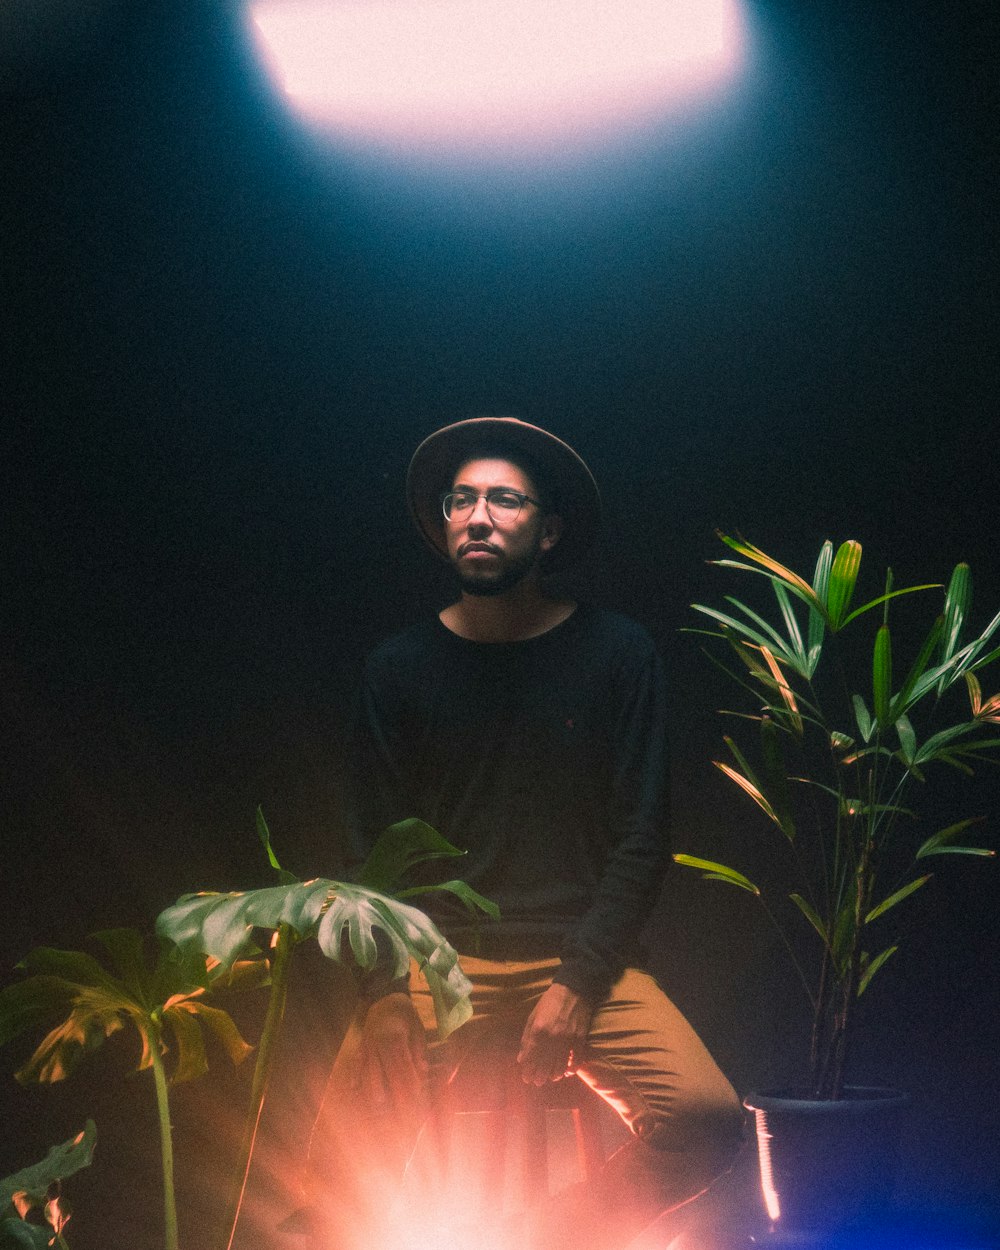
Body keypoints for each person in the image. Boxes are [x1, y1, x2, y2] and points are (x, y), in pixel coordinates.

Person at [303, 417, 742, 1250]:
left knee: (707, 1119)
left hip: (581, 962)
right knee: (328, 1168)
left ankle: (548, 1238)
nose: (477, 516)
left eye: (504, 500)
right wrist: (387, 995)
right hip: (437, 964)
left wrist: (577, 983)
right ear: (441, 525)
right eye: (461, 499)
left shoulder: (618, 654)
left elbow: (642, 838)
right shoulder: (395, 669)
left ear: (548, 529)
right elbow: (368, 856)